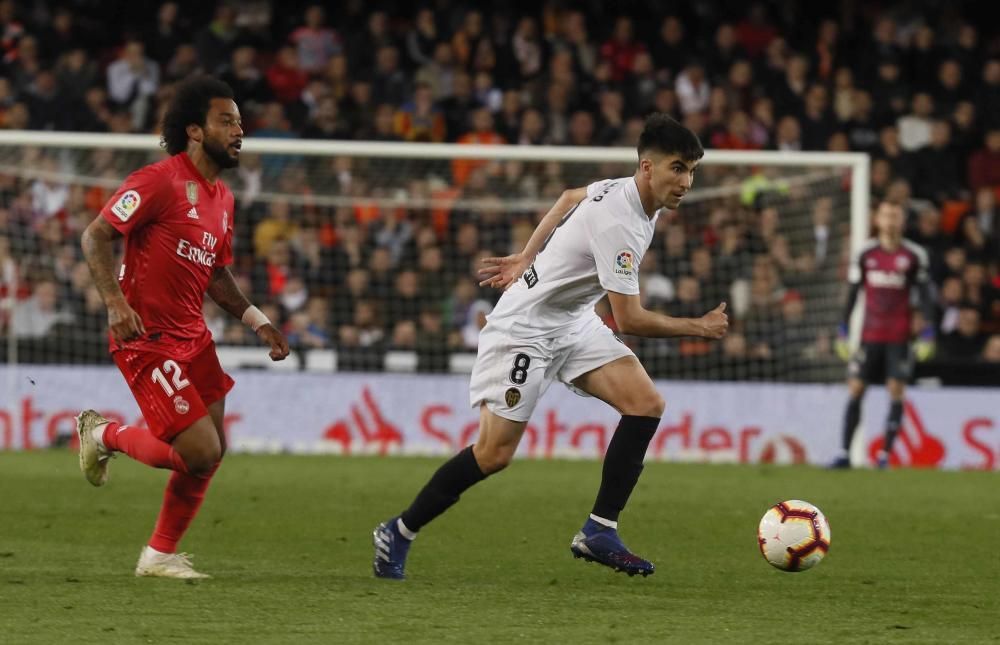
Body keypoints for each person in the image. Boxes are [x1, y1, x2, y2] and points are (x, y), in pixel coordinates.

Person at [372, 114, 728, 579]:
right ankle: (398, 530)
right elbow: (630, 319)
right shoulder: (620, 220)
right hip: (524, 329)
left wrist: (527, 255)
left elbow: (568, 197)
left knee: (645, 404)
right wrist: (699, 328)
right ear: (647, 167)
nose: (687, 181)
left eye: (692, 171)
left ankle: (600, 530)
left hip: (571, 321)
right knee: (493, 455)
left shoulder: (632, 193)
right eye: (678, 169)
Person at [75, 76, 290, 579]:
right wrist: (114, 303)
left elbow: (215, 272)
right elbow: (95, 235)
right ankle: (103, 433)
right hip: (145, 339)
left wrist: (258, 321)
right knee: (199, 451)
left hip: (193, 338)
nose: (240, 130)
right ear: (195, 130)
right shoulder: (157, 181)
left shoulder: (223, 199)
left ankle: (158, 556)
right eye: (227, 120)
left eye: (240, 120)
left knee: (212, 453)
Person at [832, 201, 934, 470]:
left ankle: (884, 456)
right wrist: (842, 328)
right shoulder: (866, 253)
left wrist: (928, 331)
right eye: (886, 214)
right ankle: (844, 453)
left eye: (895, 215)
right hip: (870, 334)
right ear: (877, 219)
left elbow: (925, 297)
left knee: (896, 391)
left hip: (899, 336)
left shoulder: (914, 255)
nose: (890, 220)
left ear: (902, 220)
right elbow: (853, 292)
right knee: (856, 388)